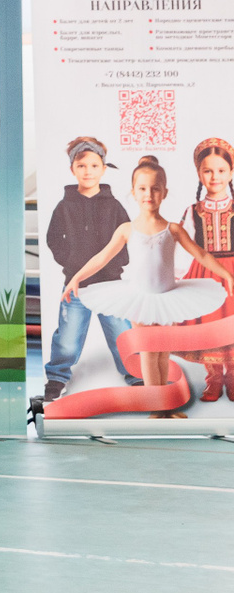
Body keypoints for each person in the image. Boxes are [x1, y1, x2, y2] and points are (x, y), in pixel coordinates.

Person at [64, 155, 234, 418]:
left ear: (164, 192)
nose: (148, 194)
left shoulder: (173, 229)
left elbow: (201, 254)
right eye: (142, 188)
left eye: (155, 188)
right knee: (148, 352)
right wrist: (76, 278)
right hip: (140, 299)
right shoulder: (127, 229)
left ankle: (166, 408)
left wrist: (227, 275)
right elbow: (102, 257)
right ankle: (157, 408)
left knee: (163, 353)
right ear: (133, 192)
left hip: (168, 299)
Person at [42, 137, 137, 402]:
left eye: (94, 166)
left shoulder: (114, 205)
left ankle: (135, 373)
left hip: (110, 284)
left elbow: (127, 237)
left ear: (103, 169)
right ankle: (57, 377)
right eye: (81, 166)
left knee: (122, 332)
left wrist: (117, 265)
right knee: (68, 336)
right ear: (72, 169)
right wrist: (71, 262)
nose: (88, 171)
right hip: (76, 285)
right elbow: (53, 238)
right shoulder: (64, 206)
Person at [176, 137, 234, 399]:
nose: (215, 176)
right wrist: (176, 279)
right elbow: (182, 247)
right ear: (199, 173)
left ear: (231, 172)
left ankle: (233, 378)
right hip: (203, 275)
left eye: (221, 170)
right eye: (208, 171)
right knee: (209, 327)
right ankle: (214, 379)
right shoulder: (193, 211)